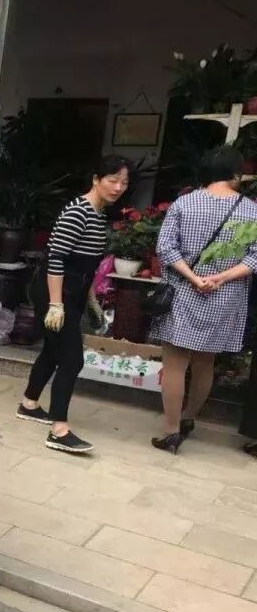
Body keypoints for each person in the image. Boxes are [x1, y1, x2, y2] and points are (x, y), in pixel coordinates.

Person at [18, 155, 130, 454]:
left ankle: (29, 403)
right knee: (72, 359)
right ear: (96, 179)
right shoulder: (77, 211)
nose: (118, 187)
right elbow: (56, 258)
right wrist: (56, 305)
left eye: (124, 182)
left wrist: (90, 300)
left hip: (74, 291)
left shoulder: (99, 214)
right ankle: (59, 430)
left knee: (54, 350)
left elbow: (86, 265)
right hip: (55, 290)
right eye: (112, 180)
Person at [148, 147, 257, 453]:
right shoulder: (252, 210)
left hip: (184, 290)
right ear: (236, 173)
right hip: (225, 296)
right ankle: (188, 418)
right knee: (205, 362)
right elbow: (254, 257)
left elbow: (165, 248)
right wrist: (220, 278)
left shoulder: (184, 203)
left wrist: (194, 278)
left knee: (175, 364)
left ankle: (171, 432)